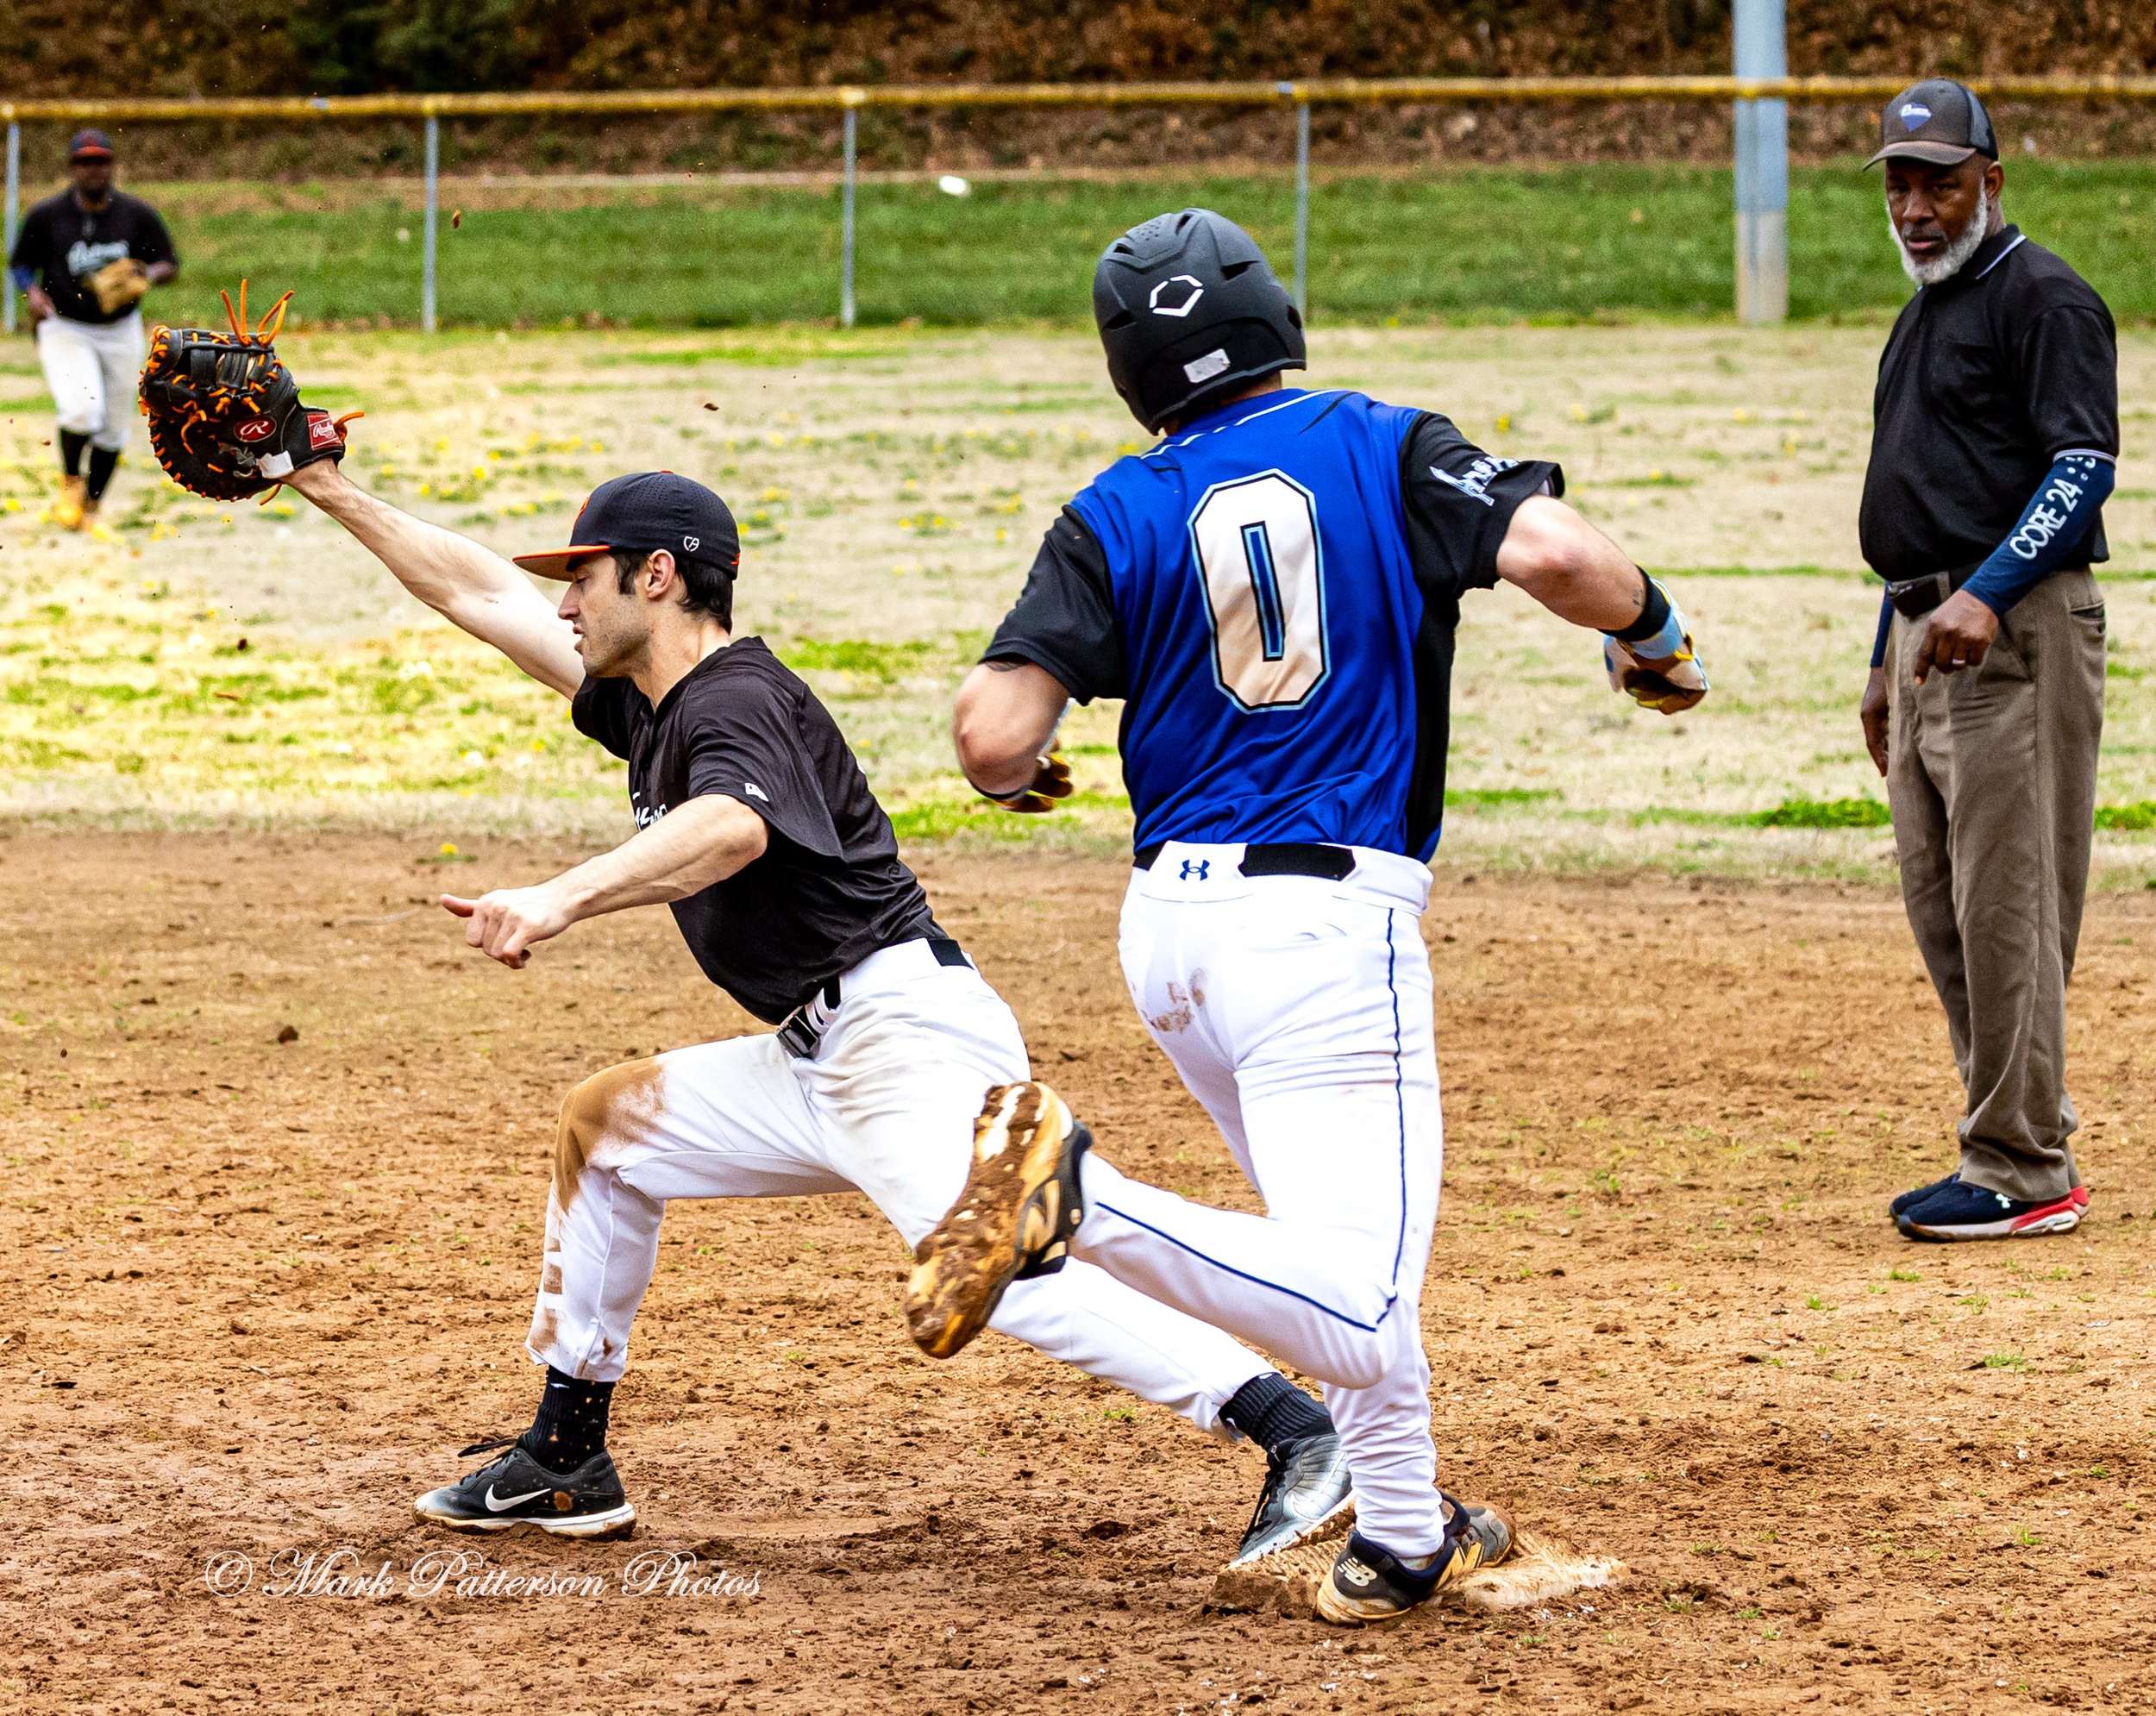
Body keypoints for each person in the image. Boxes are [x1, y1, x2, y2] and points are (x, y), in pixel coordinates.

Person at [274, 448, 1354, 1558]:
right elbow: (478, 592)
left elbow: (731, 828)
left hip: (901, 1037)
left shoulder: (736, 698)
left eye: (584, 576)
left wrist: (559, 897)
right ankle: (564, 1458)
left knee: (991, 1269)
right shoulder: (646, 699)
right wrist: (322, 485)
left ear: (656, 578)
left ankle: (1298, 1431)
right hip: (813, 1054)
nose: (562, 601)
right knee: (606, 1133)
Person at [905, 208, 1708, 1623]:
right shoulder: (1381, 445)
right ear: (1271, 313)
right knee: (1360, 1300)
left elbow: (988, 736)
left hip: (1172, 934)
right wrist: (1654, 637)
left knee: (1320, 1256)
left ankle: (1401, 1535)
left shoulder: (1117, 508)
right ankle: (1076, 1199)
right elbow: (1556, 557)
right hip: (1326, 929)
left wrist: (1030, 772)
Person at [1855, 81, 2116, 1244]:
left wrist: (1984, 592)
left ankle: (2022, 1164)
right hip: (1929, 632)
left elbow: (2081, 468)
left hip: (2012, 632)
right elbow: (1916, 494)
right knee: (1944, 905)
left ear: (1992, 183)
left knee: (2009, 899)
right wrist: (1885, 650)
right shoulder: (1923, 311)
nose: (1916, 206)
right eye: (1902, 183)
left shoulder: (2044, 297)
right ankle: (2017, 1129)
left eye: (1941, 182)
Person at [8, 128, 177, 532]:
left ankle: (93, 505)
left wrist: (145, 273)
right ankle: (70, 481)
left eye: (100, 160)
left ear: (112, 164)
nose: (93, 169)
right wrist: (31, 292)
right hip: (65, 326)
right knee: (82, 409)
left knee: (115, 427)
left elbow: (168, 261)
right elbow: (19, 264)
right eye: (84, 162)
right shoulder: (47, 215)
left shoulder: (135, 214)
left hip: (120, 329)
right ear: (72, 168)